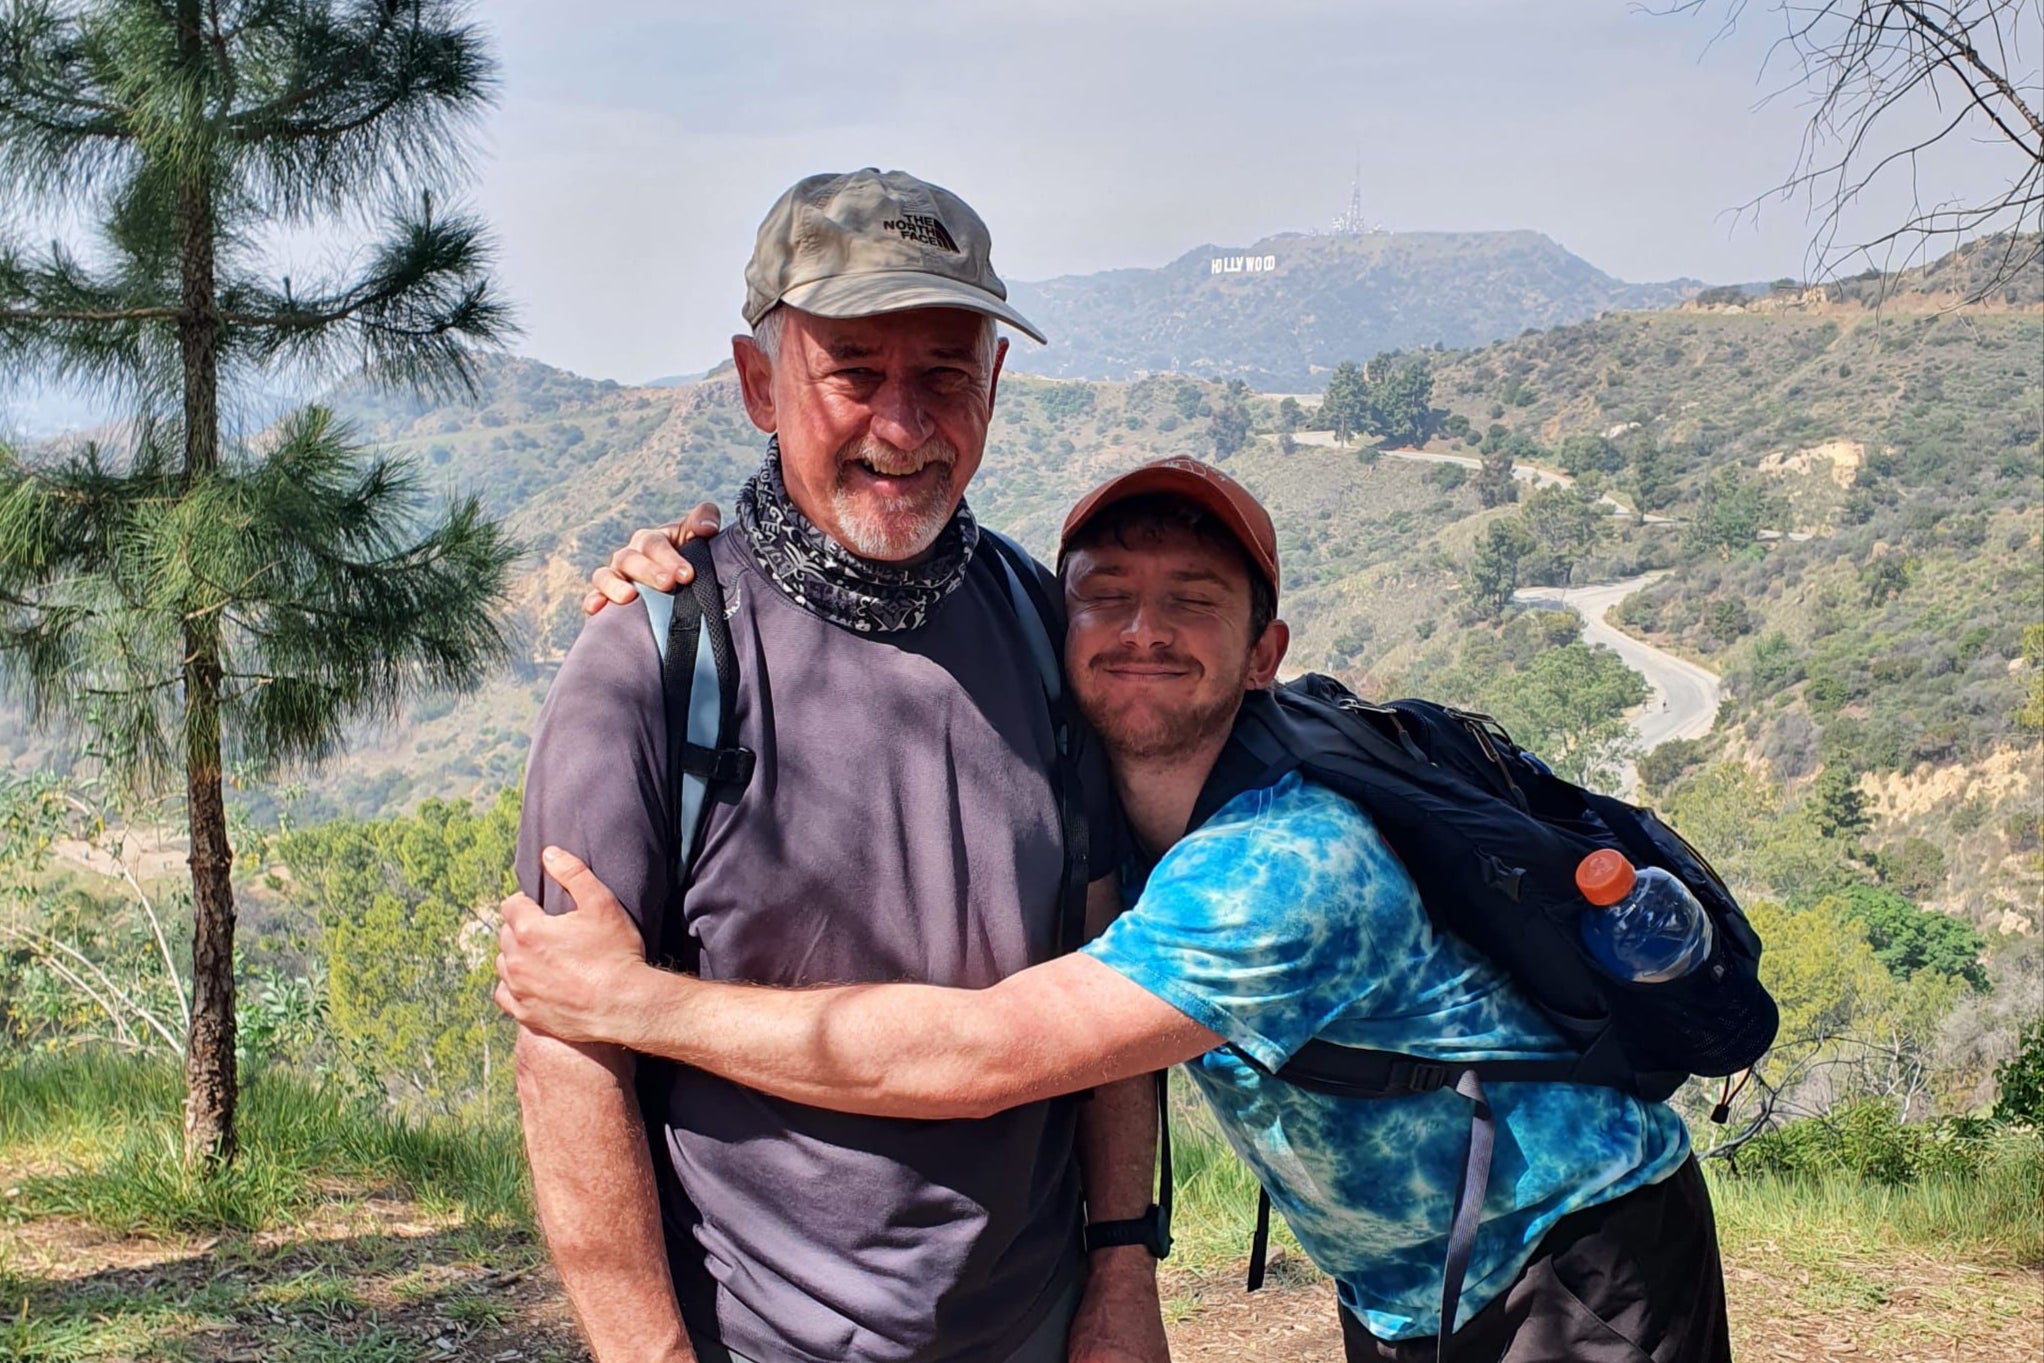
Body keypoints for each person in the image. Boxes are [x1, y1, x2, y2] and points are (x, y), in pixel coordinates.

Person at [501, 457, 1734, 1363]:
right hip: (1410, 1280)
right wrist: (716, 556)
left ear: (1264, 651)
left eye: (1194, 601)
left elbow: (978, 1057)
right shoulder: (1127, 787)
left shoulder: (1284, 868)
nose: (1143, 633)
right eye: (1108, 597)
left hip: (1572, 1255)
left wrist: (633, 1001)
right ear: (1058, 621)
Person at [511, 168, 1167, 1363]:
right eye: (854, 371)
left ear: (996, 385)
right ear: (760, 384)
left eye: (945, 374)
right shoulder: (652, 658)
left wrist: (1123, 1267)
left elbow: (1106, 952)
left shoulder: (1041, 628)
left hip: (1033, 1325)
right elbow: (567, 1040)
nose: (904, 425)